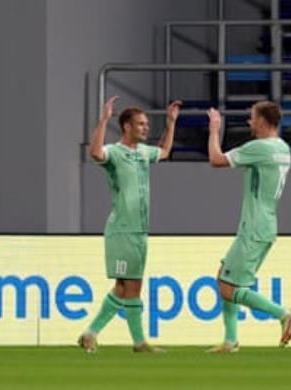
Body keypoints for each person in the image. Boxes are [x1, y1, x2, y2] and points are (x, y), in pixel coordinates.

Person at [79, 96, 182, 353]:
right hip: (123, 229)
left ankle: (95, 334)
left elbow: (165, 151)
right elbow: (95, 152)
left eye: (146, 124)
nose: (146, 128)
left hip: (138, 230)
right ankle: (133, 341)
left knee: (126, 287)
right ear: (126, 127)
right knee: (129, 286)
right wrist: (103, 120)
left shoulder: (143, 152)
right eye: (141, 124)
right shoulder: (115, 152)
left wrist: (170, 123)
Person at [206, 101, 291, 353]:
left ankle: (283, 314)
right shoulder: (284, 148)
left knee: (229, 288)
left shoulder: (260, 147)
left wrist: (215, 129)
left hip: (254, 226)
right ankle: (230, 341)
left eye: (252, 117)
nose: (249, 122)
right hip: (266, 224)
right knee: (225, 277)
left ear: (262, 121)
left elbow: (216, 159)